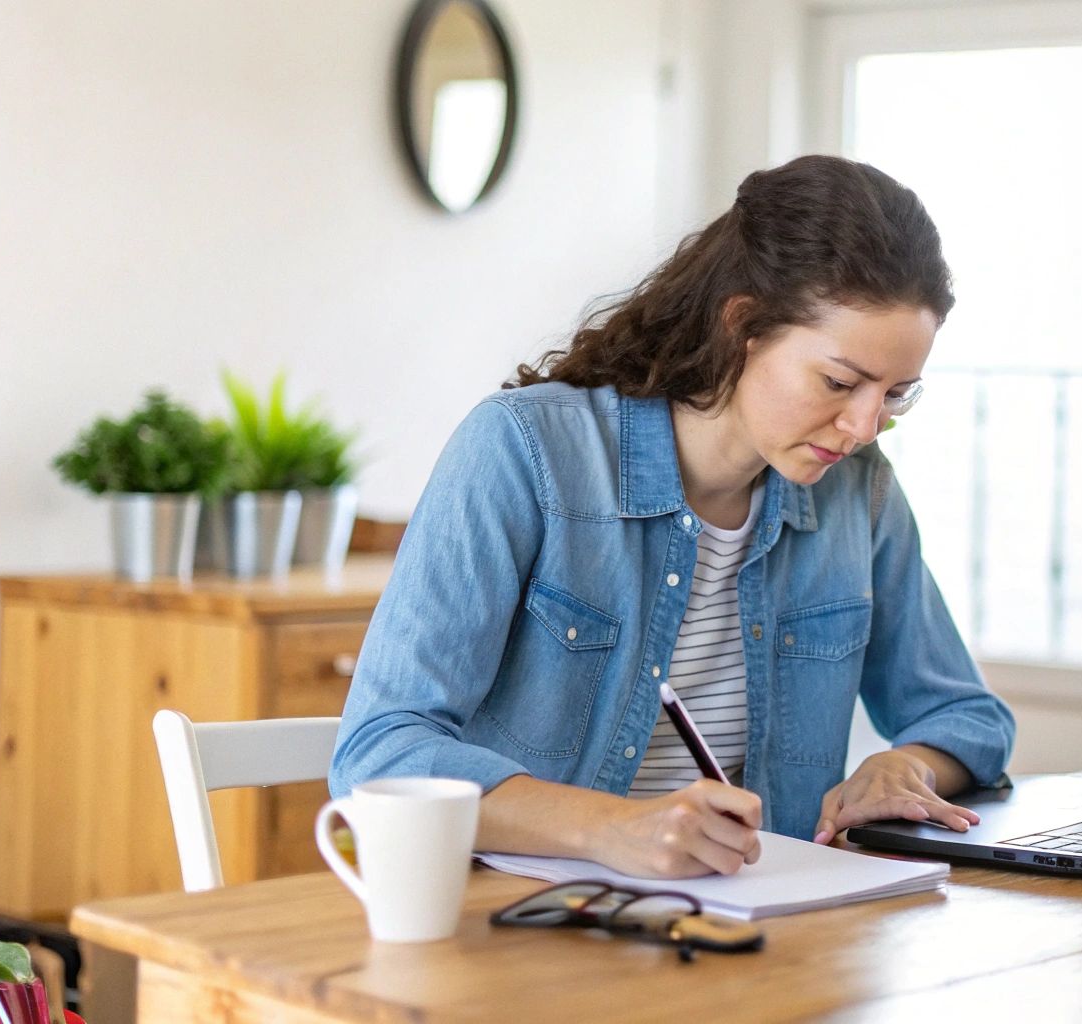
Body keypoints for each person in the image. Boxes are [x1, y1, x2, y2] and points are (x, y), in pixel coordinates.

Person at [330, 155, 1015, 879]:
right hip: (523, 912)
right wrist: (611, 828)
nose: (864, 427)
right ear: (742, 324)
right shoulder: (524, 451)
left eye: (896, 395)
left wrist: (905, 765)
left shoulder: (859, 493)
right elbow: (379, 754)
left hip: (760, 915)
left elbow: (968, 718)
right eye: (839, 382)